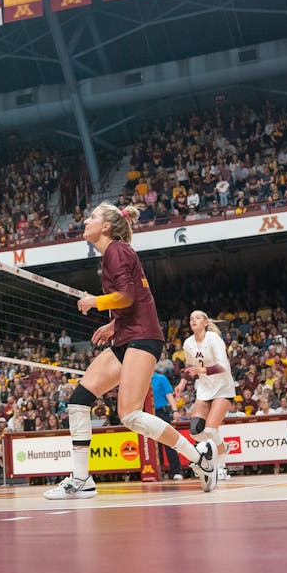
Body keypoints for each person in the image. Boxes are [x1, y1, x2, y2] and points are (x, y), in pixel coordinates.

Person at [45, 205, 216, 500]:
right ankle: (81, 479)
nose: (86, 220)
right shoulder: (115, 252)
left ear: (107, 227)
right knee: (79, 400)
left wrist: (95, 302)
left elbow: (126, 296)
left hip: (143, 338)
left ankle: (199, 458)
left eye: (93, 217)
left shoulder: (117, 251)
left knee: (130, 415)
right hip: (127, 336)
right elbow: (137, 299)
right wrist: (114, 324)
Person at [179, 310, 235, 476]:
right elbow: (189, 365)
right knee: (196, 432)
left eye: (197, 317)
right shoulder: (188, 343)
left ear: (205, 322)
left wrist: (202, 370)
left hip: (223, 386)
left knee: (210, 430)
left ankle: (221, 466)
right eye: (191, 318)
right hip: (204, 389)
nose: (193, 320)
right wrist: (182, 382)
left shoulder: (214, 339)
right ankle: (222, 447)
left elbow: (223, 366)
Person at [150, 363, 183, 479]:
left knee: (169, 442)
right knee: (153, 444)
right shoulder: (141, 381)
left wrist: (175, 410)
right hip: (148, 414)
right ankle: (159, 472)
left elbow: (169, 396)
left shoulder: (161, 378)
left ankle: (176, 471)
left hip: (162, 412)